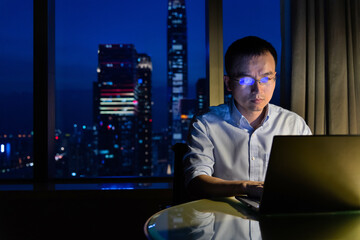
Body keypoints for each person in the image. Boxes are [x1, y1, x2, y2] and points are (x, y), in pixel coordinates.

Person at [183, 36, 312, 199]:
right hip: (223, 219)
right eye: (246, 80)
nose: (257, 89)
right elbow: (196, 182)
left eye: (266, 79)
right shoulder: (206, 123)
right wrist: (245, 187)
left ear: (275, 79)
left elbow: (311, 178)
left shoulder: (293, 125)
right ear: (229, 83)